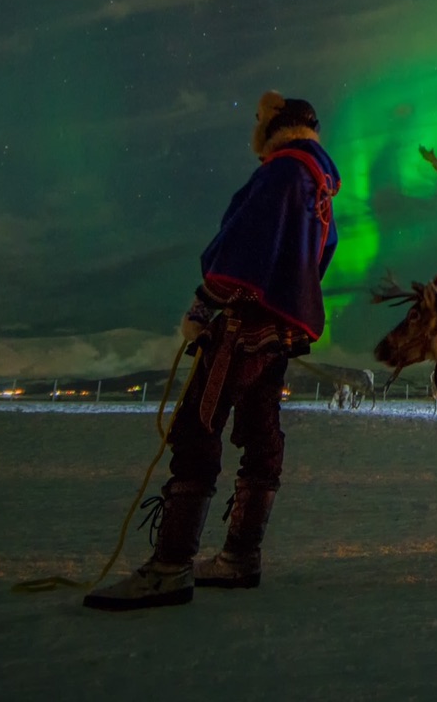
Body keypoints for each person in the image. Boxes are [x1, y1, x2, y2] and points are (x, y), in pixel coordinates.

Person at [86, 91, 340, 611]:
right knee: (261, 434)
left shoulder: (280, 174)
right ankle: (241, 555)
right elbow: (319, 255)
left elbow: (244, 249)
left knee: (197, 430)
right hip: (281, 332)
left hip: (242, 326)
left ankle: (170, 566)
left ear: (275, 126)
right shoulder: (318, 186)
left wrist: (206, 305)